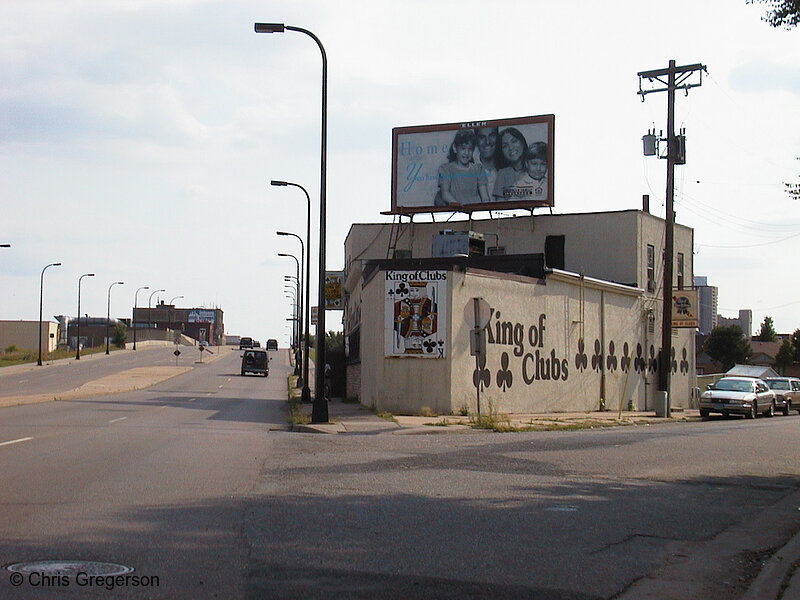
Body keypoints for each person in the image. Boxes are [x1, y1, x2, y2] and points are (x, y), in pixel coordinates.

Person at [435, 130, 489, 206]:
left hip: (476, 212)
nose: (467, 153)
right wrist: (460, 207)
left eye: (470, 149)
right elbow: (445, 194)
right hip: (456, 212)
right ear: (455, 148)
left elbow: (485, 197)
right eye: (463, 148)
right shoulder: (446, 169)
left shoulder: (478, 169)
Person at [492, 127, 528, 201]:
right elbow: (500, 206)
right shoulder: (502, 174)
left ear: (522, 142)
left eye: (514, 141)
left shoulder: (536, 166)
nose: (511, 148)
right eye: (505, 146)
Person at [475, 126, 500, 196]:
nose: (487, 142)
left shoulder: (507, 165)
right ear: (476, 140)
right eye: (482, 137)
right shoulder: (467, 166)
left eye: (492, 136)